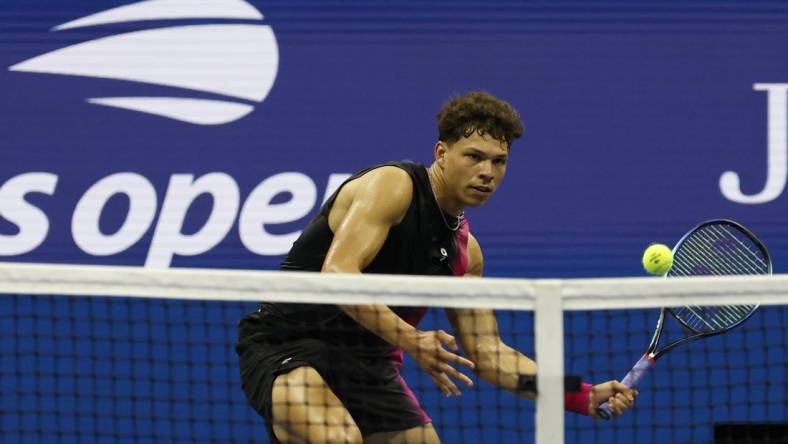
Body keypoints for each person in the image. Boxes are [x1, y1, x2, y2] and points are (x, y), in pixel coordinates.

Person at [236, 91, 638, 443]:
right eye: (474, 157)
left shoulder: (467, 255)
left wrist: (580, 394)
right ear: (441, 153)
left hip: (370, 367)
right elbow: (338, 276)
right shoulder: (393, 186)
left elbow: (490, 353)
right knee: (339, 438)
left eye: (499, 162)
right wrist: (412, 340)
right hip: (287, 346)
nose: (487, 172)